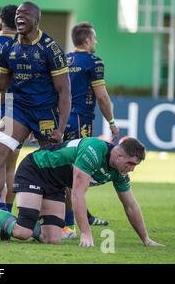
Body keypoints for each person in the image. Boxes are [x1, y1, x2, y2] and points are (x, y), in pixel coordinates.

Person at [0, 137, 164, 248]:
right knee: (23, 233)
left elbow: (131, 205)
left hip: (54, 185)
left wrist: (146, 239)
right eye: (130, 163)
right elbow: (76, 194)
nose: (131, 168)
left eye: (135, 165)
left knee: (52, 240)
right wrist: (85, 232)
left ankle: (9, 223)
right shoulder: (94, 151)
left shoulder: (118, 171)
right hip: (35, 171)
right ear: (118, 153)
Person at [0, 1, 71, 209]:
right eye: (18, 14)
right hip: (18, 111)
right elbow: (0, 87)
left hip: (45, 112)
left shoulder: (51, 49)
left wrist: (61, 127)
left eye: (25, 14)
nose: (20, 17)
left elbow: (64, 91)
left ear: (36, 19)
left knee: (55, 165)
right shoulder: (9, 48)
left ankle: (66, 222)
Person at [61, 22, 121, 238]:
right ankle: (68, 226)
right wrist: (112, 122)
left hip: (59, 119)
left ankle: (59, 220)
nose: (95, 41)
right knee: (76, 173)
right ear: (87, 40)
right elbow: (102, 97)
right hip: (79, 120)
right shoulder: (93, 61)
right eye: (94, 38)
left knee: (58, 168)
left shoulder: (64, 59)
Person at [0, 4, 19, 213]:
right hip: (16, 116)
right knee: (10, 168)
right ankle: (7, 212)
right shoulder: (23, 47)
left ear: (0, 23)